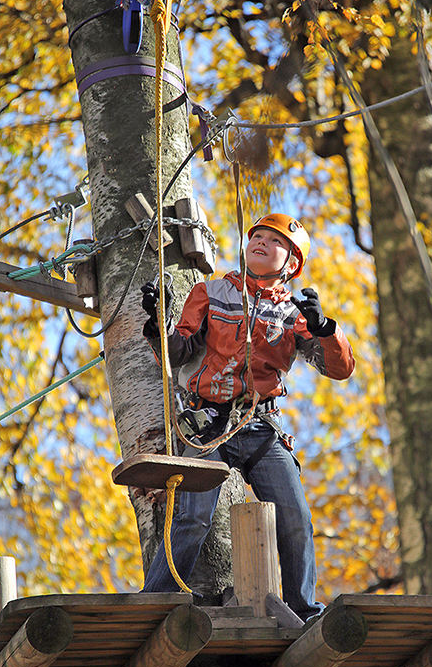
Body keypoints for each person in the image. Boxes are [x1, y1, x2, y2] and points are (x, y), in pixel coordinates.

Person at [140, 213, 355, 620]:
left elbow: (340, 369)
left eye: (274, 241)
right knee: (193, 517)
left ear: (292, 262)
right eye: (257, 236)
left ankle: (304, 610)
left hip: (261, 427)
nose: (260, 242)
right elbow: (176, 354)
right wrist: (157, 325)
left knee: (295, 517)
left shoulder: (294, 314)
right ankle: (155, 601)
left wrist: (325, 329)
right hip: (208, 424)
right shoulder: (212, 293)